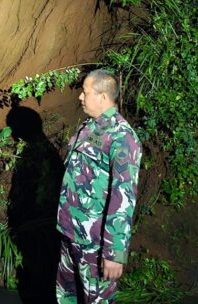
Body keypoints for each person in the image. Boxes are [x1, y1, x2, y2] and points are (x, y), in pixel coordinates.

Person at [56, 69, 142, 304]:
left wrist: (114, 253)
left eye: (85, 92)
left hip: (95, 245)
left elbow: (123, 197)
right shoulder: (89, 127)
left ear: (103, 97)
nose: (80, 97)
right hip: (71, 234)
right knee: (67, 298)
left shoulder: (122, 138)